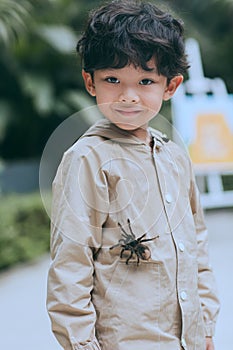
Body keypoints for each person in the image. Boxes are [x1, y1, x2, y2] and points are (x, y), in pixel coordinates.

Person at [46, 1, 220, 349]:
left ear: (169, 87)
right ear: (90, 82)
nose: (128, 96)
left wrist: (205, 327)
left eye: (145, 81)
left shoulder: (174, 156)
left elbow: (196, 247)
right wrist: (81, 344)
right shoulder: (87, 160)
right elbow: (71, 266)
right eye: (113, 79)